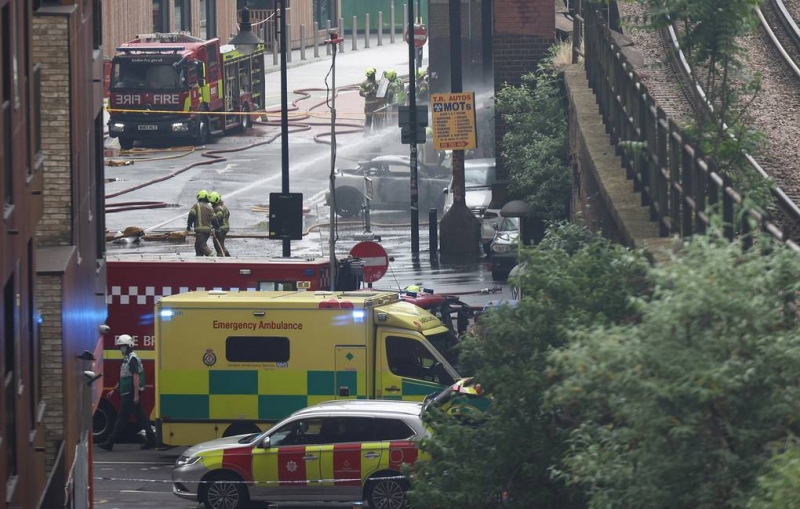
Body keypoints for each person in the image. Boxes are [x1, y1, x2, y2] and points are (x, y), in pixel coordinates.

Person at [98, 335, 157, 451]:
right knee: (141, 418)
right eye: (120, 347)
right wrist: (114, 390)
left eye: (122, 346)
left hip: (130, 393)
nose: (121, 349)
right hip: (127, 393)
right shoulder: (126, 359)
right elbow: (124, 377)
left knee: (121, 419)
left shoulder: (132, 359)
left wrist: (135, 395)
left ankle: (109, 442)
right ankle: (152, 441)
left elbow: (136, 377)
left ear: (129, 346)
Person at [186, 189, 219, 257]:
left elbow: (191, 215)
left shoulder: (196, 205)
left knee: (202, 244)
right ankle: (199, 258)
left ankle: (212, 257)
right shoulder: (209, 207)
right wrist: (217, 227)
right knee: (197, 245)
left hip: (200, 230)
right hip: (207, 231)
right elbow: (214, 219)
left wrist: (189, 225)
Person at [209, 191, 230, 257]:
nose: (212, 204)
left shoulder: (218, 208)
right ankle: (226, 254)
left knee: (217, 243)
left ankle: (221, 255)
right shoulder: (223, 206)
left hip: (222, 228)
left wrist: (213, 224)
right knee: (221, 242)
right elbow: (228, 213)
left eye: (212, 203)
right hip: (225, 227)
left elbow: (218, 218)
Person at [359, 67, 380, 135]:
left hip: (377, 105)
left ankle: (377, 133)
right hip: (369, 105)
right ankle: (367, 134)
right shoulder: (364, 83)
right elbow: (361, 93)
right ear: (369, 75)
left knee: (377, 120)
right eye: (373, 75)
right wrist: (368, 93)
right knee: (369, 120)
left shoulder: (376, 82)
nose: (374, 76)